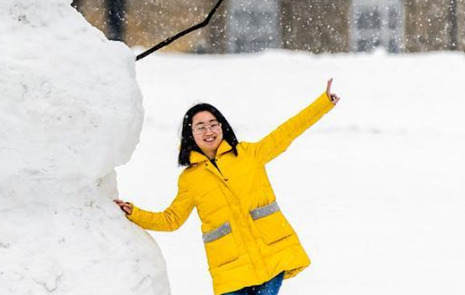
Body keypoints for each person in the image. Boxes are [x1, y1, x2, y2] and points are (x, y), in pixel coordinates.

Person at [115, 79, 341, 295]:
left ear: (222, 127)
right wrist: (134, 213)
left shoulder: (249, 154)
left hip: (270, 256)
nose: (209, 131)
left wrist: (323, 104)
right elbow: (171, 219)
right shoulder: (189, 179)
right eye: (200, 127)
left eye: (213, 124)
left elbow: (287, 132)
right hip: (229, 269)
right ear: (190, 135)